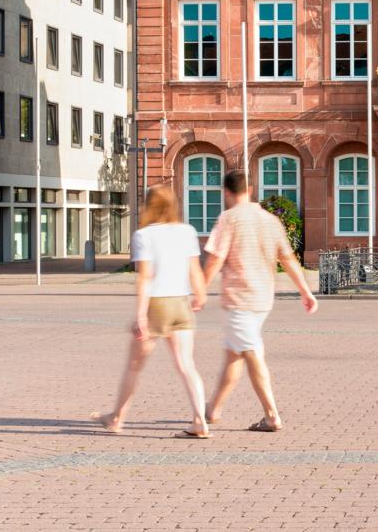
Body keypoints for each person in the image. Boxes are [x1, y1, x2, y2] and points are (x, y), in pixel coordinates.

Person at [202, 170, 318, 432]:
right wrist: (305, 291)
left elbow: (216, 258)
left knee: (251, 353)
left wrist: (200, 290)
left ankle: (271, 415)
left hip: (239, 298)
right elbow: (287, 258)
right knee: (234, 354)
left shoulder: (228, 219)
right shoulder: (270, 220)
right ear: (250, 190)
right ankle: (213, 409)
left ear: (226, 192)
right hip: (263, 298)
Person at [94, 188, 209, 438]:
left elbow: (145, 278)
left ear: (148, 205)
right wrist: (201, 294)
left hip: (157, 304)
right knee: (187, 365)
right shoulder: (187, 231)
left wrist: (140, 315)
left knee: (134, 366)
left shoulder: (143, 235)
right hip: (181, 302)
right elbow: (195, 270)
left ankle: (116, 418)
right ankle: (200, 421)